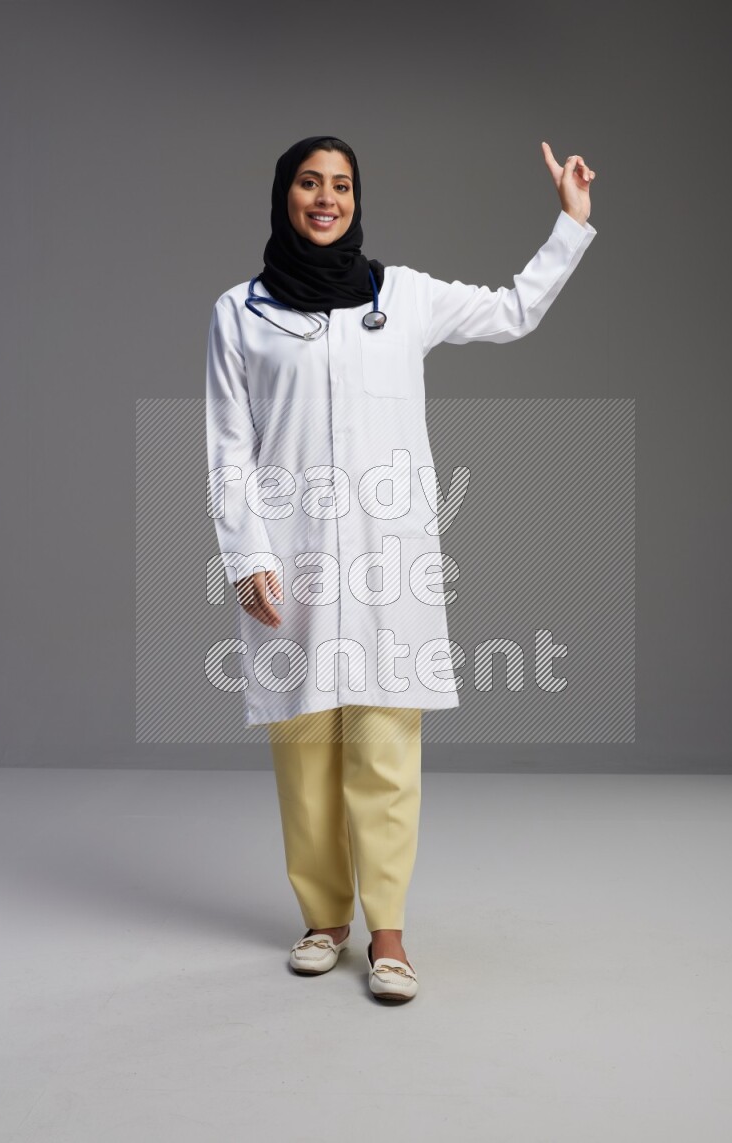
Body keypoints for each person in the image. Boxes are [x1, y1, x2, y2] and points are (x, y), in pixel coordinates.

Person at [205, 135, 597, 1002]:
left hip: (390, 563)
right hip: (292, 557)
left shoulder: (404, 295)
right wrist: (246, 555)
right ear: (284, 196)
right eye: (310, 183)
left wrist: (570, 225)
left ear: (357, 199)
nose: (326, 198)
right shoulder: (240, 312)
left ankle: (386, 931)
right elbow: (230, 449)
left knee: (384, 746)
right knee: (305, 746)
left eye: (341, 185)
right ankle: (323, 919)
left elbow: (513, 311)